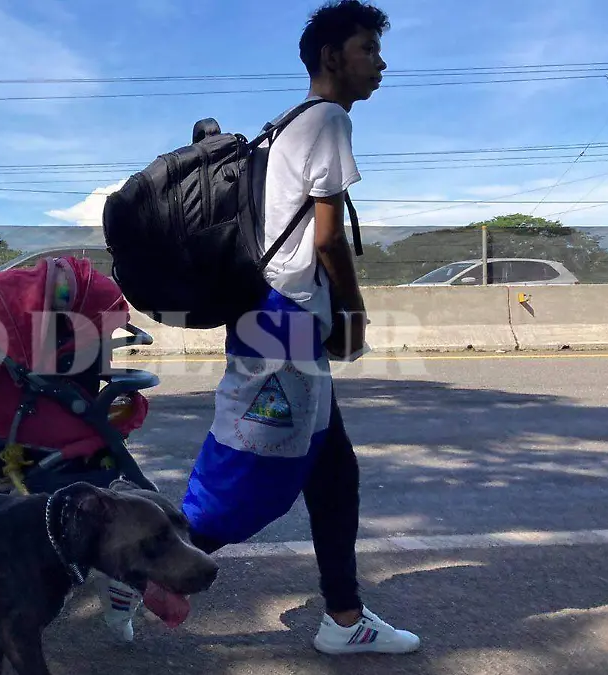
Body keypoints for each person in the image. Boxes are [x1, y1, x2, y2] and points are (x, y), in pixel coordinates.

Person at [177, 0, 420, 655]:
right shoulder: (328, 119)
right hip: (289, 320)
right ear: (331, 57)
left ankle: (343, 616)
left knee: (330, 471)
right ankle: (140, 565)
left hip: (268, 313)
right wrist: (354, 313)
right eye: (369, 48)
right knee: (248, 466)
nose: (380, 62)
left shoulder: (283, 126)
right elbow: (329, 240)